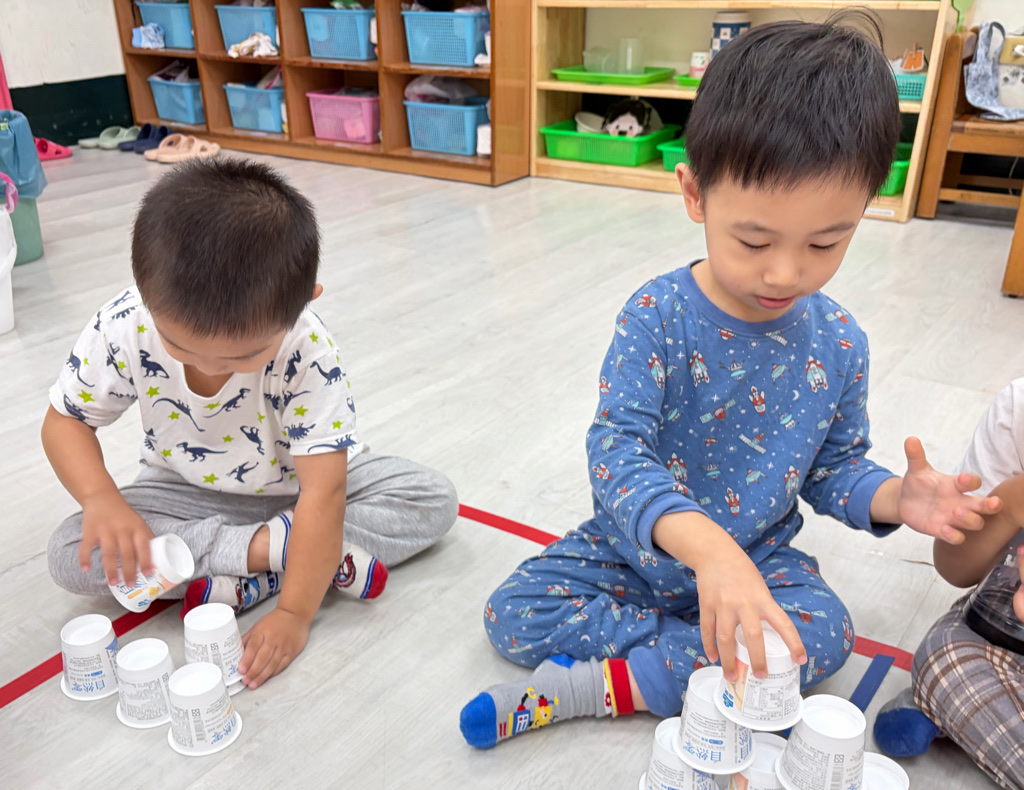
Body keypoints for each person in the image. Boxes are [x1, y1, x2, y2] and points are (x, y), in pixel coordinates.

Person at [459, 14, 1000, 749]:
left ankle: (608, 685)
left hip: (760, 558)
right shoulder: (656, 316)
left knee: (825, 633)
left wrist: (894, 498)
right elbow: (616, 455)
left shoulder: (841, 341)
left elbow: (833, 468)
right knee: (513, 612)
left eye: (826, 242)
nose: (785, 272)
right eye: (753, 240)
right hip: (635, 553)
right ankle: (697, 653)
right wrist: (708, 555)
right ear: (695, 194)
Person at [44, 158, 458, 689]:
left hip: (305, 489)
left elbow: (325, 494)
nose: (211, 367)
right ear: (145, 294)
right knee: (70, 552)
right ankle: (278, 552)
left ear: (302, 304)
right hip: (184, 491)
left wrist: (294, 614)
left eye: (243, 356)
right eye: (179, 346)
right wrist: (101, 498)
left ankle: (262, 571)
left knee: (431, 499)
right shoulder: (124, 324)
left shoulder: (308, 349)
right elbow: (64, 422)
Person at [874, 379, 1024, 790]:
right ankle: (957, 708)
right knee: (944, 660)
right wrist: (1009, 506)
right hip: (999, 634)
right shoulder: (1017, 412)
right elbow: (956, 567)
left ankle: (960, 718)